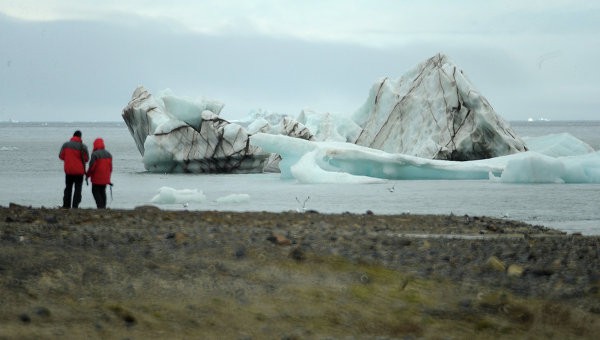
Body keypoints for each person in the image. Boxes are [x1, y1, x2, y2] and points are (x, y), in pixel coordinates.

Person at [59, 130, 89, 209]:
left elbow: (61, 156)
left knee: (68, 188)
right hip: (79, 172)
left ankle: (66, 205)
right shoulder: (83, 147)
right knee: (78, 189)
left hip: (69, 171)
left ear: (73, 136)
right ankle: (75, 206)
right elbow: (86, 159)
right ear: (80, 137)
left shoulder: (66, 145)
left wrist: (69, 159)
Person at [86, 138, 113, 209]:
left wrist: (87, 175)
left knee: (95, 191)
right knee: (102, 191)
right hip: (105, 178)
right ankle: (103, 206)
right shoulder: (108, 154)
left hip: (96, 178)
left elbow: (92, 167)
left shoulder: (95, 154)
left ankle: (100, 206)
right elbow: (110, 168)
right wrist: (108, 179)